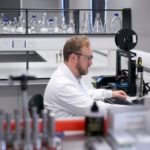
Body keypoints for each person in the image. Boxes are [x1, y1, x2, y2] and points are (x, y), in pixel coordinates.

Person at [44, 35, 127, 118]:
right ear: (73, 58)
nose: (91, 63)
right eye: (89, 58)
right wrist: (132, 110)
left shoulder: (71, 76)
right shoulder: (62, 84)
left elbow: (86, 93)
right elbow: (94, 109)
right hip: (67, 130)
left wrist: (110, 93)